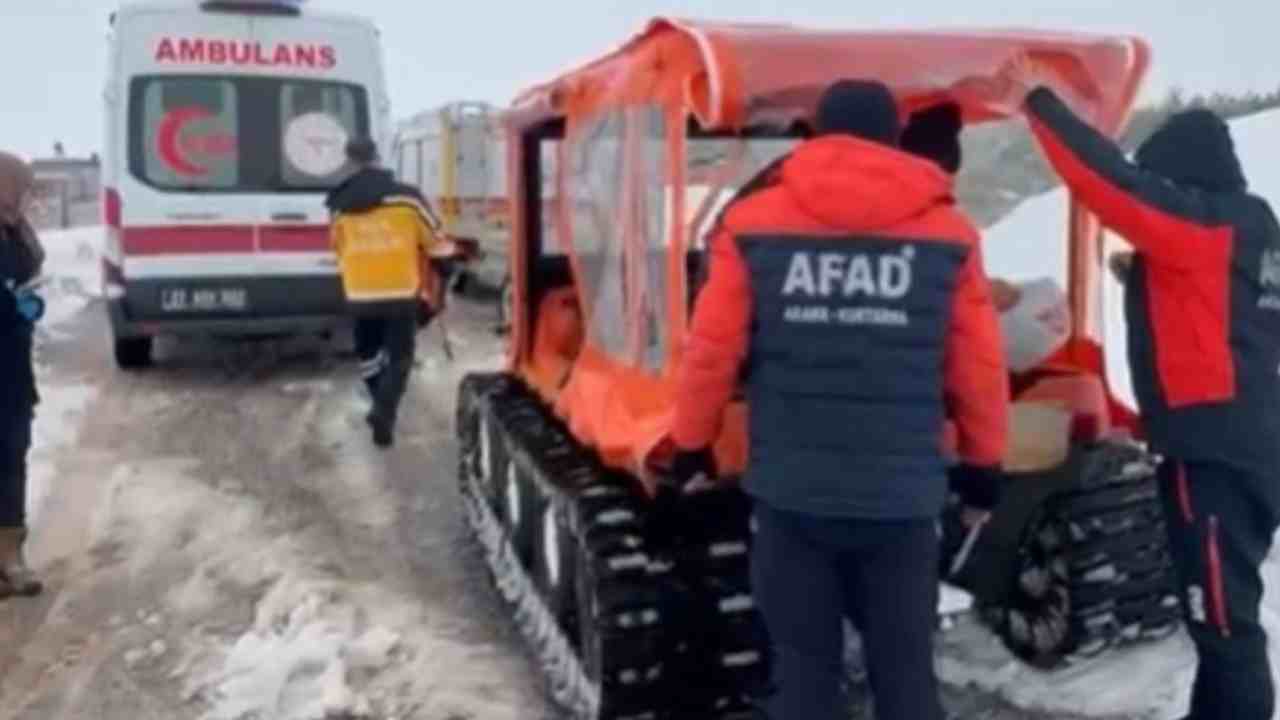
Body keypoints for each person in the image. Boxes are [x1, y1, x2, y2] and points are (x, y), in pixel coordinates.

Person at [668, 80, 1009, 720]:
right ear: (893, 138)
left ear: (818, 134)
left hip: (792, 500)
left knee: (802, 672)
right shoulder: (950, 233)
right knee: (905, 672)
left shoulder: (751, 225)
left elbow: (710, 353)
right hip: (903, 502)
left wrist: (690, 446)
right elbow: (979, 367)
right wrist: (984, 468)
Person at [1006, 63, 1280, 720]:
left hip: (1212, 453)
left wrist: (1037, 104)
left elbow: (1113, 186)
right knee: (1217, 624)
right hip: (1251, 446)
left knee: (1223, 625)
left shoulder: (1204, 228)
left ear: (1183, 173)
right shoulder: (1253, 232)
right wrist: (1148, 277)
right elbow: (1231, 317)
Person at [326, 137, 465, 448]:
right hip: (399, 291)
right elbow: (434, 238)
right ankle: (384, 411)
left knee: (368, 352)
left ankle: (378, 399)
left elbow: (337, 247)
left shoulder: (339, 206)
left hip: (359, 292)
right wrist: (446, 266)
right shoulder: (408, 200)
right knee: (400, 356)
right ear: (377, 157)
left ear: (349, 161)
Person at [0, 151, 45, 598]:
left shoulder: (18, 233)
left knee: (13, 459)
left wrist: (27, 301)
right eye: (19, 186)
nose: (24, 196)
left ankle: (12, 557)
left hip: (13, 368)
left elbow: (30, 270)